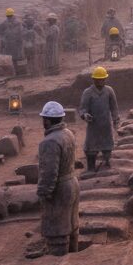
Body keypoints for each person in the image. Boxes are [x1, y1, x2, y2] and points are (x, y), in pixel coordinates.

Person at [36, 101, 81, 256]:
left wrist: (44, 193)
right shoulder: (68, 133)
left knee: (58, 230)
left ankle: (59, 261)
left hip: (60, 189)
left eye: (43, 119)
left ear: (47, 120)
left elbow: (49, 173)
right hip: (72, 183)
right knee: (72, 226)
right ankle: (74, 258)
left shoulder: (49, 142)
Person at [79, 66, 120, 173]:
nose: (101, 81)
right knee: (91, 149)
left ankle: (106, 165)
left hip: (106, 126)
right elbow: (82, 109)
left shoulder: (109, 91)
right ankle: (91, 168)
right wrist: (85, 115)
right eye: (99, 79)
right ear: (94, 80)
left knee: (107, 147)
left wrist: (116, 120)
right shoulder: (88, 92)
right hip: (93, 126)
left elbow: (114, 107)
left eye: (103, 79)